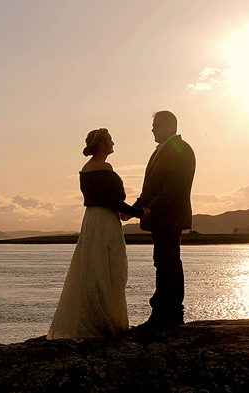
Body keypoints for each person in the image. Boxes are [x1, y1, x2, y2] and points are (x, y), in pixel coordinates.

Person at [47, 128, 146, 340]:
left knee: (93, 269)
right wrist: (140, 212)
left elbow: (105, 199)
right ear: (102, 145)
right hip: (105, 222)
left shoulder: (86, 169)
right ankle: (109, 321)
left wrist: (125, 211)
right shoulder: (105, 168)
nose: (113, 144)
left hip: (92, 220)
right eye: (110, 141)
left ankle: (99, 318)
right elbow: (113, 201)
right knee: (109, 268)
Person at [123, 110, 196, 330]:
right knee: (164, 261)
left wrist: (148, 210)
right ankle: (166, 312)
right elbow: (151, 189)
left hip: (169, 216)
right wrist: (133, 209)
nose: (153, 130)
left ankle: (169, 314)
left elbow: (174, 187)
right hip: (162, 216)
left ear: (170, 126)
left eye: (157, 126)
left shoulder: (181, 150)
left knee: (168, 262)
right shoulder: (162, 151)